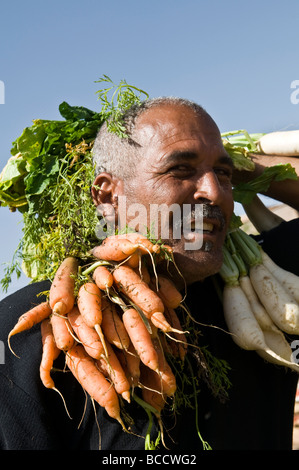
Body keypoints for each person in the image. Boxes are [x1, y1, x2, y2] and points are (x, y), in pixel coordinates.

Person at [0, 96, 299, 451]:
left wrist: (243, 159)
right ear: (108, 198)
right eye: (181, 170)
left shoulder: (266, 288)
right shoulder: (24, 335)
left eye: (224, 173)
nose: (216, 194)